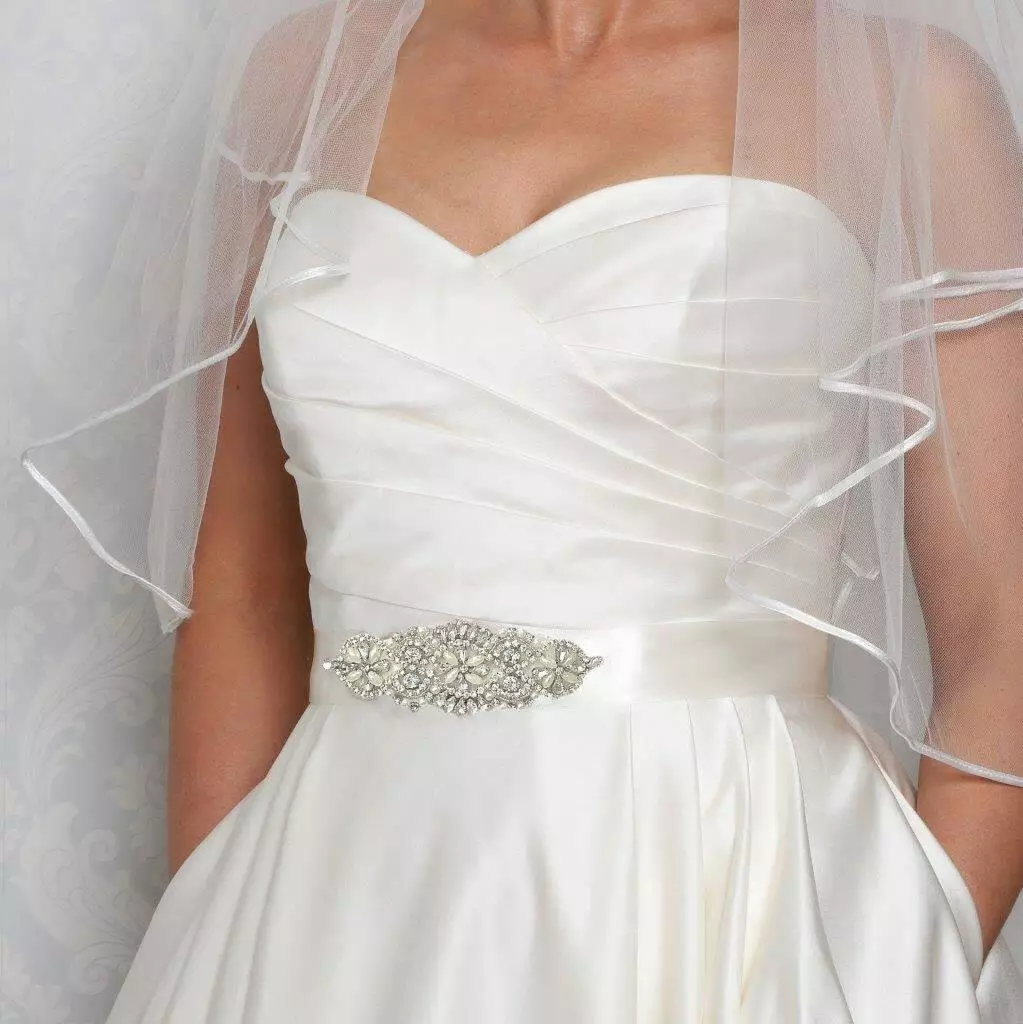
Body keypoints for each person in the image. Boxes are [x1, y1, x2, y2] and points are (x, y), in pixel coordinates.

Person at [20, 0, 1023, 1020]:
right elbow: (242, 592)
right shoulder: (304, 79)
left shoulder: (901, 96)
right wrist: (213, 937)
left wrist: (910, 955)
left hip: (726, 889)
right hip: (334, 894)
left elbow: (1004, 632)